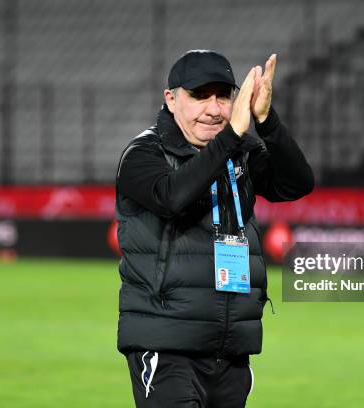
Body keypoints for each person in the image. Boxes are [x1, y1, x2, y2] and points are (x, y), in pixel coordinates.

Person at [115, 49, 314, 408]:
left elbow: (296, 183)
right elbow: (172, 198)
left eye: (223, 96)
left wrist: (266, 121)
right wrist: (232, 136)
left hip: (229, 348)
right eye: (199, 96)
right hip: (165, 345)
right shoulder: (144, 154)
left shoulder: (240, 153)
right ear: (171, 99)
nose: (214, 108)